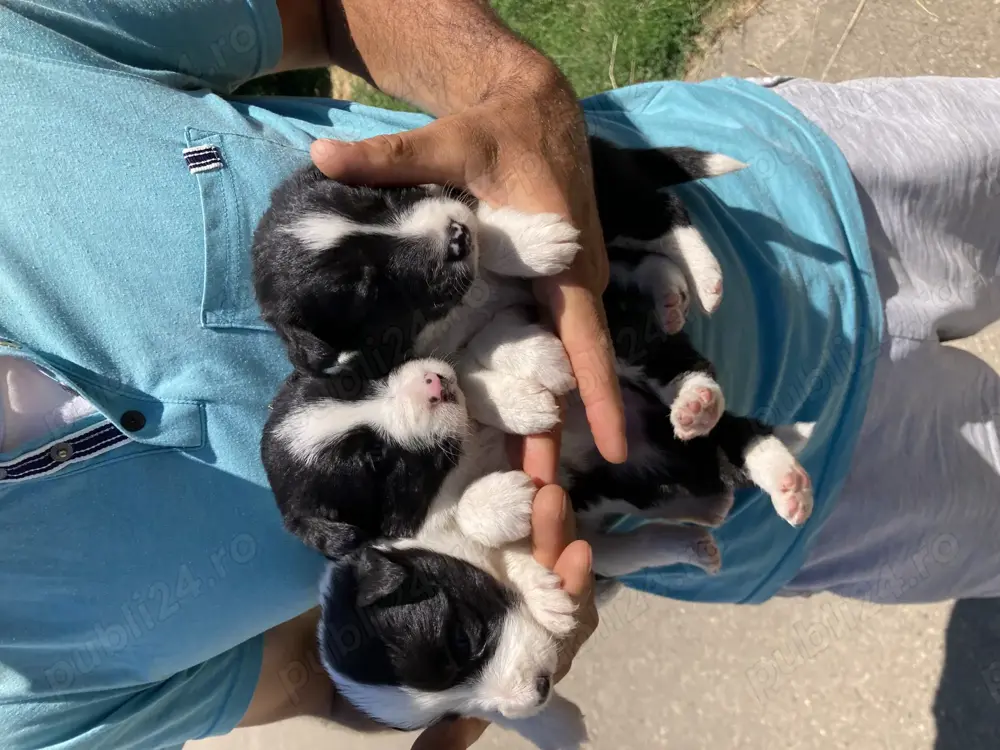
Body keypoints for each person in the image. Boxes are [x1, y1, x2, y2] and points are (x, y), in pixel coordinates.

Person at [5, 2, 1000, 750]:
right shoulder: (27, 713)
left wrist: (510, 90)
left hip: (809, 188)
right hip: (780, 507)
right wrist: (494, 664)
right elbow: (320, 680)